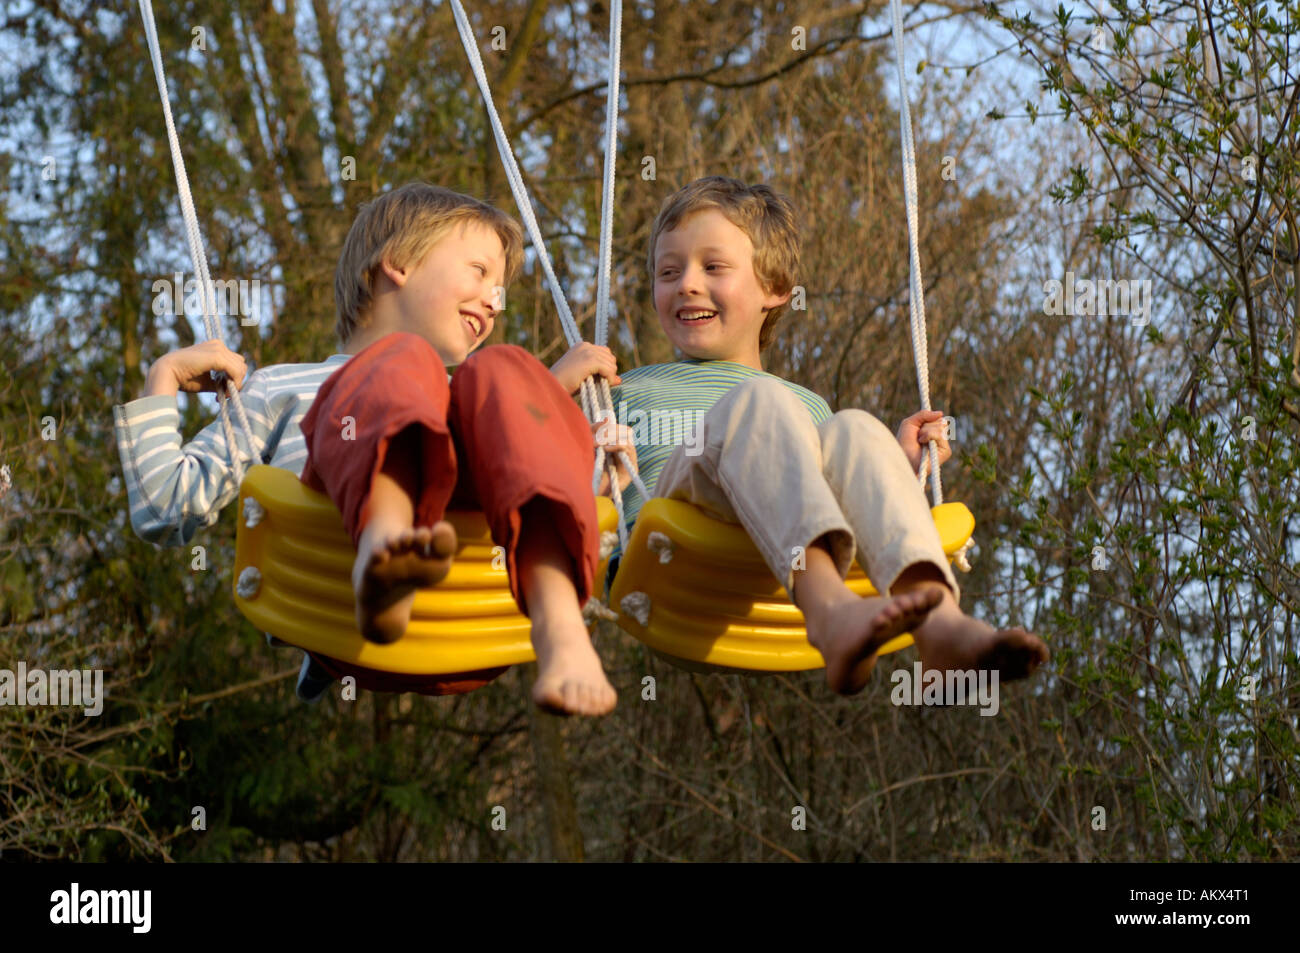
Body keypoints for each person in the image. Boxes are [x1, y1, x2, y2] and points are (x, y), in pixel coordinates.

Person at [114, 183, 632, 715]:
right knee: (401, 360)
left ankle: (560, 627)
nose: (495, 301)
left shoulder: (479, 390)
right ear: (399, 263)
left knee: (504, 368)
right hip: (336, 613)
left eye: (500, 289)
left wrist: (549, 402)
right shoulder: (281, 389)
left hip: (482, 616)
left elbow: (510, 451)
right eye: (479, 272)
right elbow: (163, 508)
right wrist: (164, 376)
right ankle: (384, 553)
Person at [607, 176, 1049, 694]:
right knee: (762, 400)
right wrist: (594, 458)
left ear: (775, 289)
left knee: (858, 427)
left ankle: (942, 627)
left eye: (714, 266)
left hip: (767, 575)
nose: (686, 283)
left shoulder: (807, 408)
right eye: (668, 271)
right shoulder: (625, 389)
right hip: (671, 564)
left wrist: (901, 469)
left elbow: (821, 491)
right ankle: (830, 611)